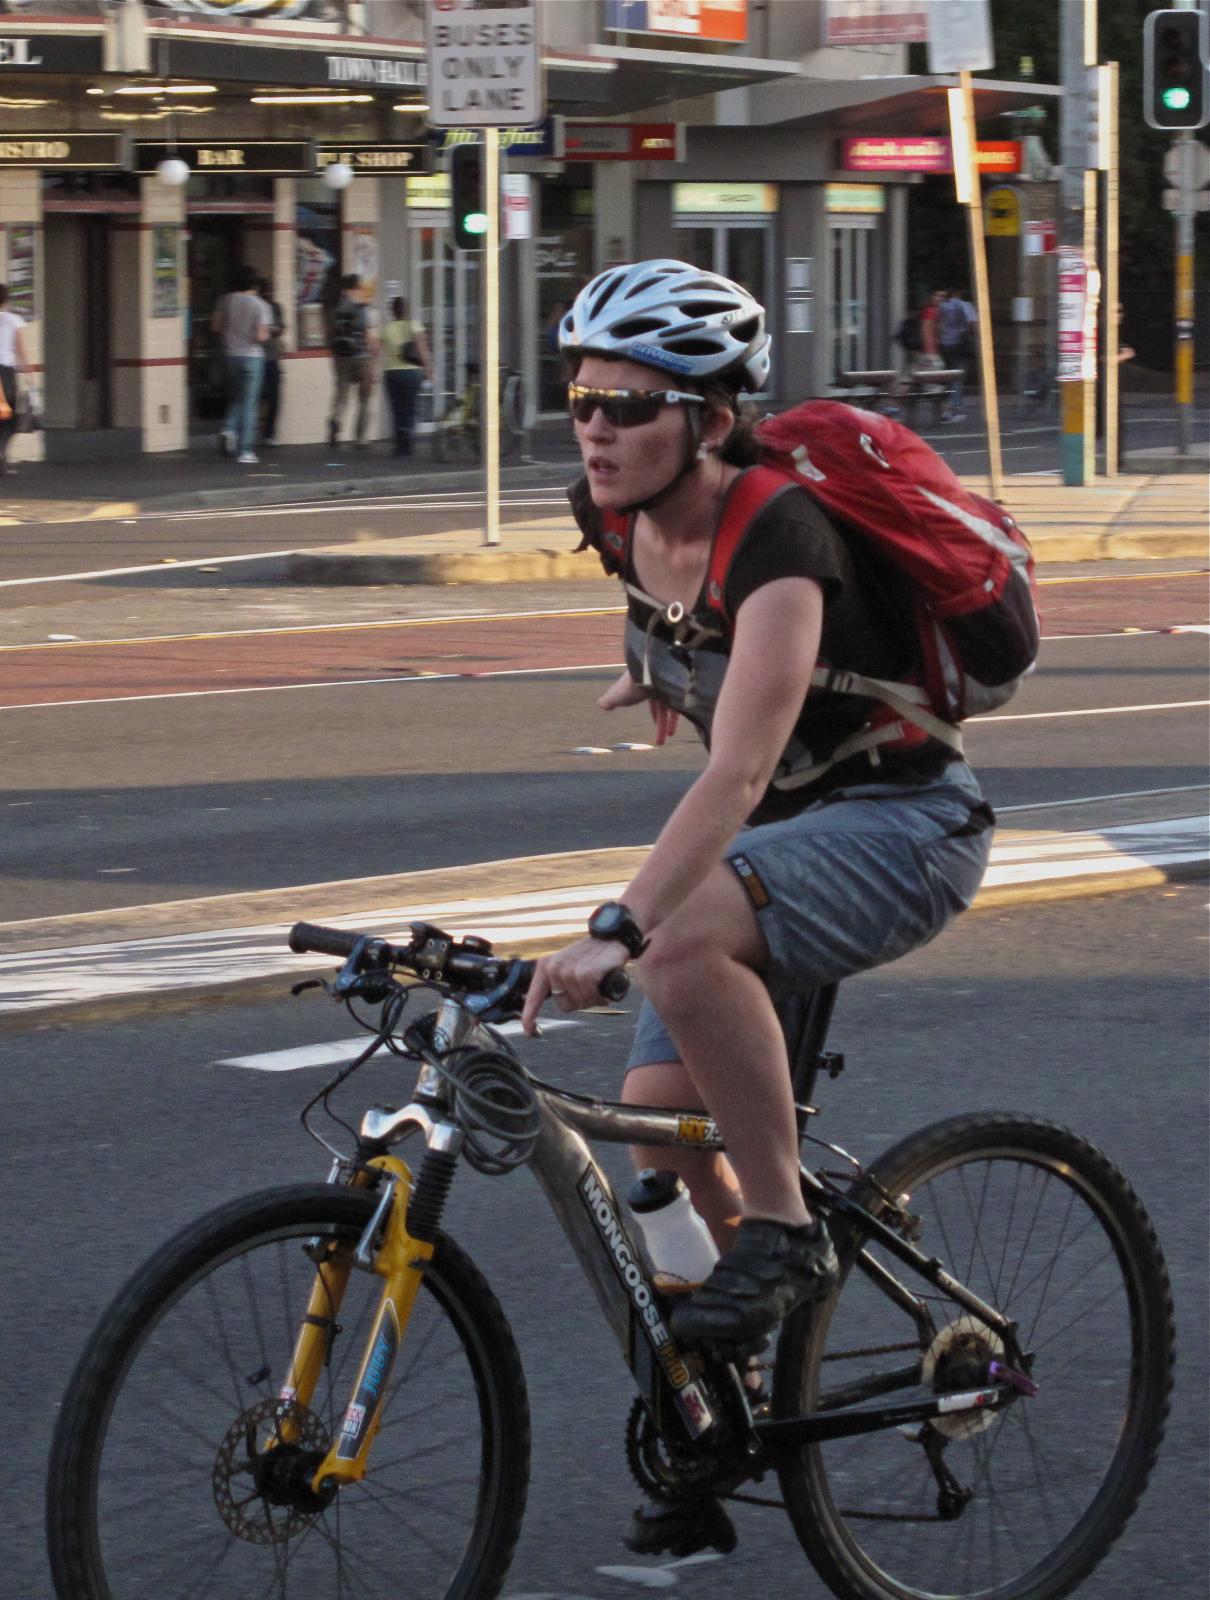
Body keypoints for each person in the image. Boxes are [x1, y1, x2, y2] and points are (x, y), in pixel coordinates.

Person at [519, 259, 994, 1554]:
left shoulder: (782, 532)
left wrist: (613, 928)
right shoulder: (608, 513)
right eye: (582, 398)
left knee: (673, 947)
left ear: (711, 420)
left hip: (906, 824)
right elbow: (663, 618)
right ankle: (727, 1422)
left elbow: (738, 767)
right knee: (659, 1143)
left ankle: (783, 1229)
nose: (598, 428)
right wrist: (649, 667)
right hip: (790, 840)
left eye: (631, 403)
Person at [212, 265, 270, 464]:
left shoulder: (225, 300)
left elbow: (216, 327)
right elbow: (261, 336)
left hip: (230, 355)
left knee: (237, 397)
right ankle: (245, 450)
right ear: (253, 283)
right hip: (252, 357)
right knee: (249, 404)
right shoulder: (260, 305)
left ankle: (229, 428)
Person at [326, 273, 377, 448]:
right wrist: (373, 359)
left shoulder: (335, 310)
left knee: (341, 395)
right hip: (361, 356)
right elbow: (369, 336)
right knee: (364, 398)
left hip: (340, 357)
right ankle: (361, 438)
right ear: (356, 287)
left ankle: (336, 418)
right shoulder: (362, 308)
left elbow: (329, 334)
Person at [380, 295, 431, 456]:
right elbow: (422, 348)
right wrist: (429, 368)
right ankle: (407, 439)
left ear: (392, 311)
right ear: (406, 310)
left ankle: (399, 443)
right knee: (411, 408)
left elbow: (378, 350)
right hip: (411, 372)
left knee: (397, 409)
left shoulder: (386, 329)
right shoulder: (414, 325)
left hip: (391, 373)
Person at [0, 282, 29, 476]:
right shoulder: (13, 320)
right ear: (6, 300)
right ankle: (2, 452)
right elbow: (20, 349)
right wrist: (28, 372)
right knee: (8, 418)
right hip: (6, 373)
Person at [257, 279, 286, 448]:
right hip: (258, 357)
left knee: (275, 398)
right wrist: (271, 330)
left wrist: (272, 330)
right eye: (266, 292)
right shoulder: (256, 307)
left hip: (272, 357)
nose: (269, 295)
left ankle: (269, 433)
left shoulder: (276, 308)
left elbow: (280, 328)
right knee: (259, 397)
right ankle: (257, 429)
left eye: (271, 292)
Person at [937, 288, 971, 423]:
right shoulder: (962, 305)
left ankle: (946, 409)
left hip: (943, 344)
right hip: (957, 344)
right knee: (956, 376)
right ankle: (955, 407)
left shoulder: (941, 307)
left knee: (945, 376)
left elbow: (938, 325)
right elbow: (969, 323)